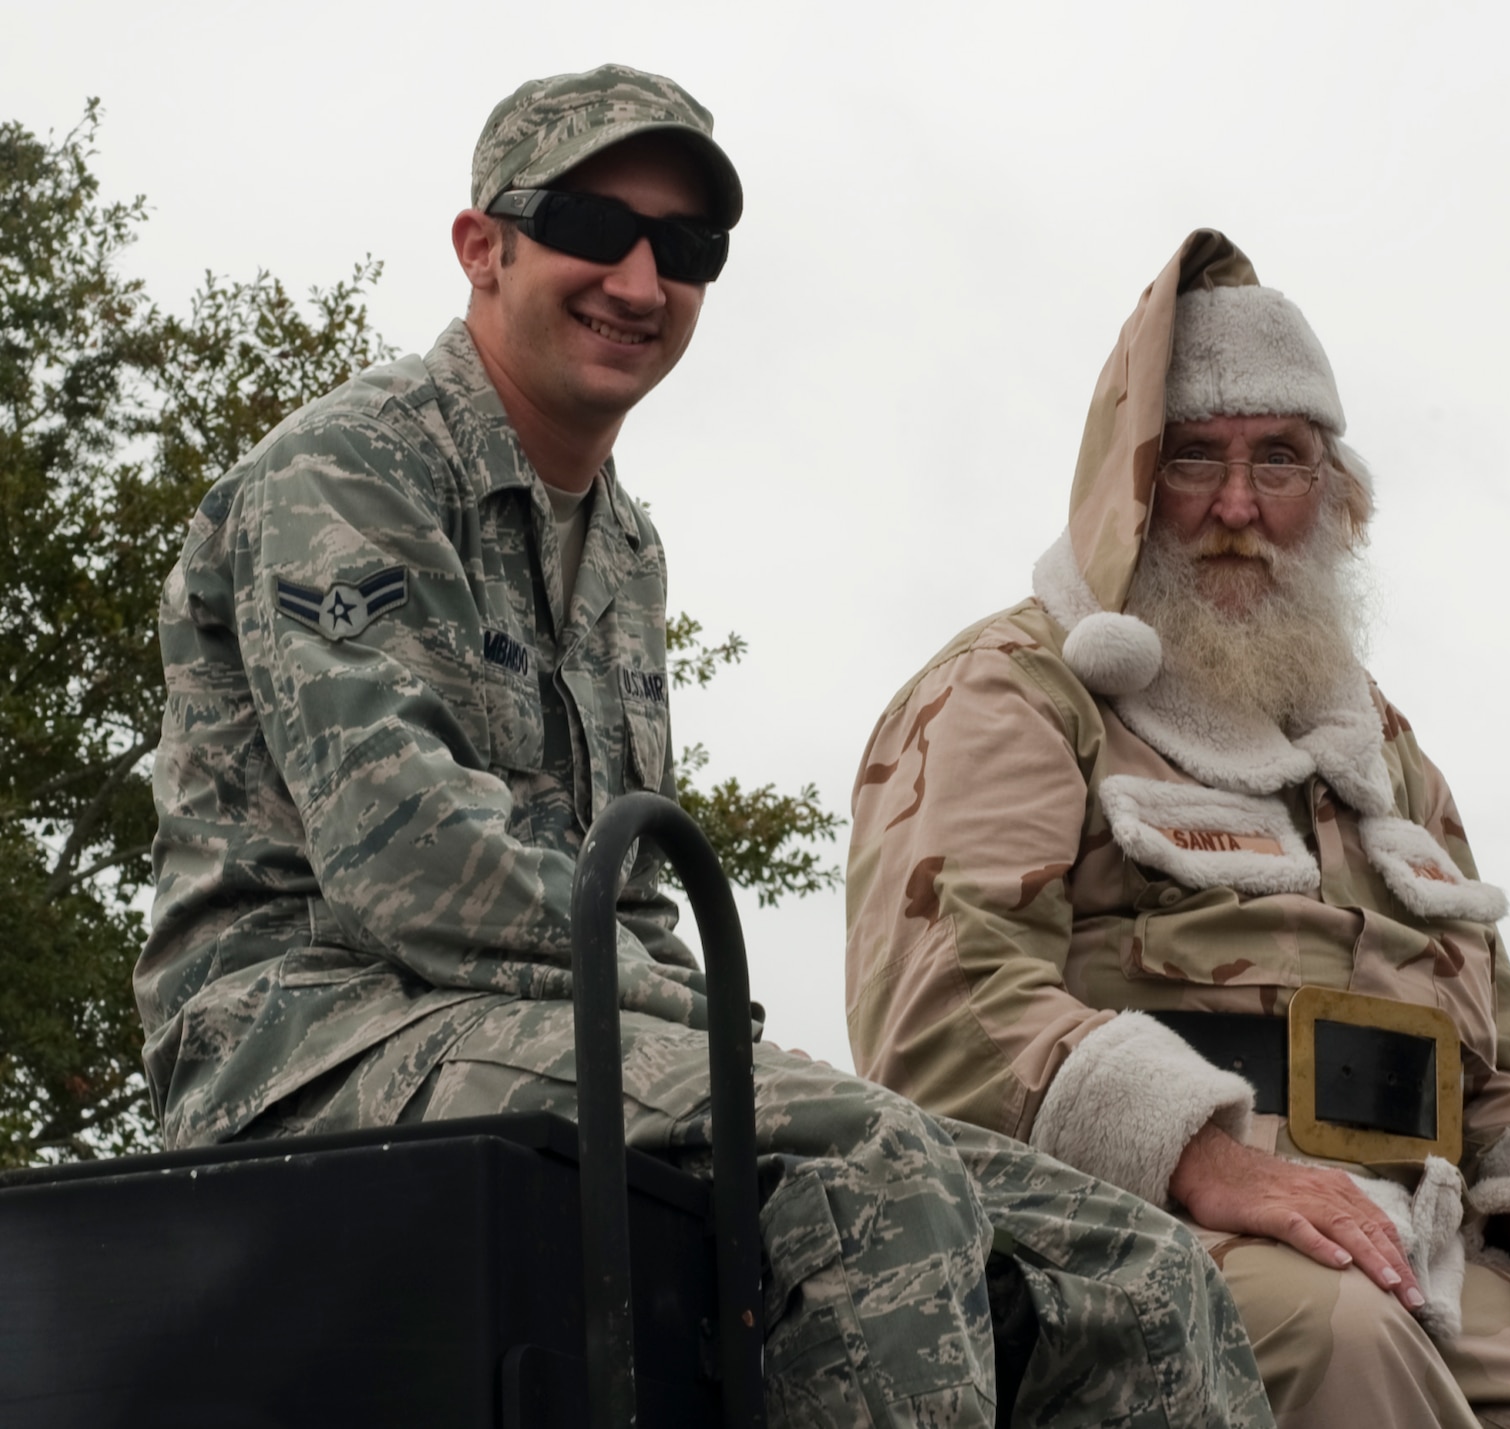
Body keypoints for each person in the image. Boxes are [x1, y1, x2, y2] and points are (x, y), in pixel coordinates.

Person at [137, 70, 1272, 1429]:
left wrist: (699, 1017)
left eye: (684, 249)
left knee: (1128, 1258)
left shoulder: (622, 544)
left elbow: (632, 892)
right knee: (868, 1162)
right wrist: (712, 1027)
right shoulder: (349, 476)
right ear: (481, 246)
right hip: (304, 1043)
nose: (638, 276)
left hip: (543, 1025)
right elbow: (407, 858)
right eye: (590, 224)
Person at [845, 230, 1510, 1428]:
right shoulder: (1014, 687)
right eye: (1194, 460)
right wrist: (1208, 1157)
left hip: (1413, 1236)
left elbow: (1494, 1063)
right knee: (1345, 1338)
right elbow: (940, 1008)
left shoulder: (1380, 752)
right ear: (1129, 487)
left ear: (1336, 497)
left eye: (1277, 460)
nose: (1236, 506)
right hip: (1114, 1228)